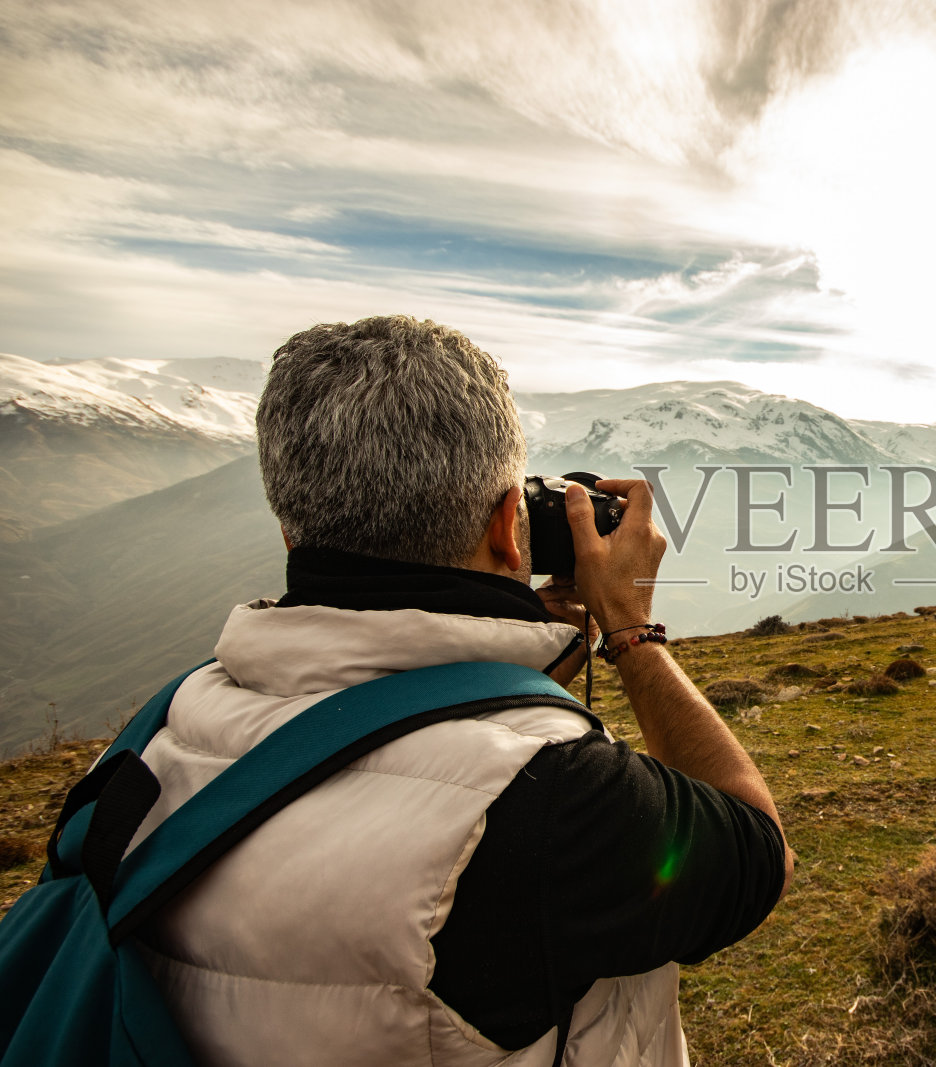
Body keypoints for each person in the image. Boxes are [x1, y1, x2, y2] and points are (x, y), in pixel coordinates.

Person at [125, 315, 792, 1065]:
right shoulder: (548, 800)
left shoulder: (151, 744)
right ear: (511, 526)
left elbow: (383, 739)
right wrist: (630, 628)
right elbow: (756, 853)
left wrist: (510, 679)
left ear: (290, 532)